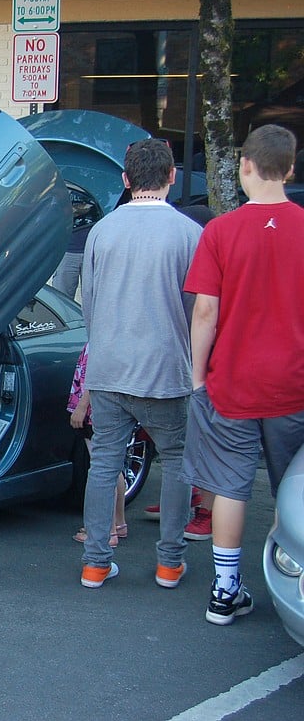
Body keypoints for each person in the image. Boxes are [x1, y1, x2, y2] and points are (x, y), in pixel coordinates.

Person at [180, 124, 304, 625]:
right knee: (290, 488)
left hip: (231, 381)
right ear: (290, 169)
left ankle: (225, 590)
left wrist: (196, 377)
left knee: (231, 486)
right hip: (293, 383)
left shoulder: (220, 232)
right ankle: (290, 582)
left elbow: (205, 312)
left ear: (244, 166)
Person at [78, 138, 202, 589]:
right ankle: (169, 562)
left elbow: (89, 305)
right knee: (175, 462)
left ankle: (95, 561)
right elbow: (197, 311)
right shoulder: (190, 234)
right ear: (172, 176)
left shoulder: (102, 231)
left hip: (109, 366)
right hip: (167, 370)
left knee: (105, 463)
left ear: (126, 180)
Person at [68, 343, 128, 549]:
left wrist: (82, 406)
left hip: (95, 411)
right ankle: (118, 523)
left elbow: (98, 374)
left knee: (102, 468)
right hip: (111, 408)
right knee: (112, 466)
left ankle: (106, 531)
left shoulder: (103, 337)